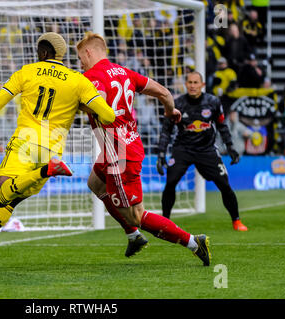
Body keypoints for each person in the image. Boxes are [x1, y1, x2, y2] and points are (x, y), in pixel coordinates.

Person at [0, 32, 116, 267]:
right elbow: (108, 115)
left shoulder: (27, 72)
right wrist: (81, 106)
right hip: (52, 149)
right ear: (61, 55)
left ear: (43, 53)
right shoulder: (78, 81)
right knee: (9, 203)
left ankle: (45, 171)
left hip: (24, 143)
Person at [76, 32, 211, 266]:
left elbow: (96, 102)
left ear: (88, 52)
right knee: (95, 183)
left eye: (80, 58)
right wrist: (170, 111)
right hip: (126, 145)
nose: (80, 63)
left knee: (137, 215)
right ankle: (133, 236)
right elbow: (164, 92)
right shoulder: (125, 72)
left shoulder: (92, 77)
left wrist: (74, 104)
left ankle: (193, 242)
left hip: (119, 154)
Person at [157, 71, 248, 232]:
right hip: (183, 148)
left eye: (196, 82)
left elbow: (222, 126)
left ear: (202, 85)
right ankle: (165, 223)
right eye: (190, 82)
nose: (192, 86)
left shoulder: (213, 102)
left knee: (224, 185)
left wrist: (230, 147)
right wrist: (161, 153)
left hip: (207, 149)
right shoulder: (177, 103)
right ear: (186, 84)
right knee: (170, 182)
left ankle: (237, 221)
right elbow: (166, 130)